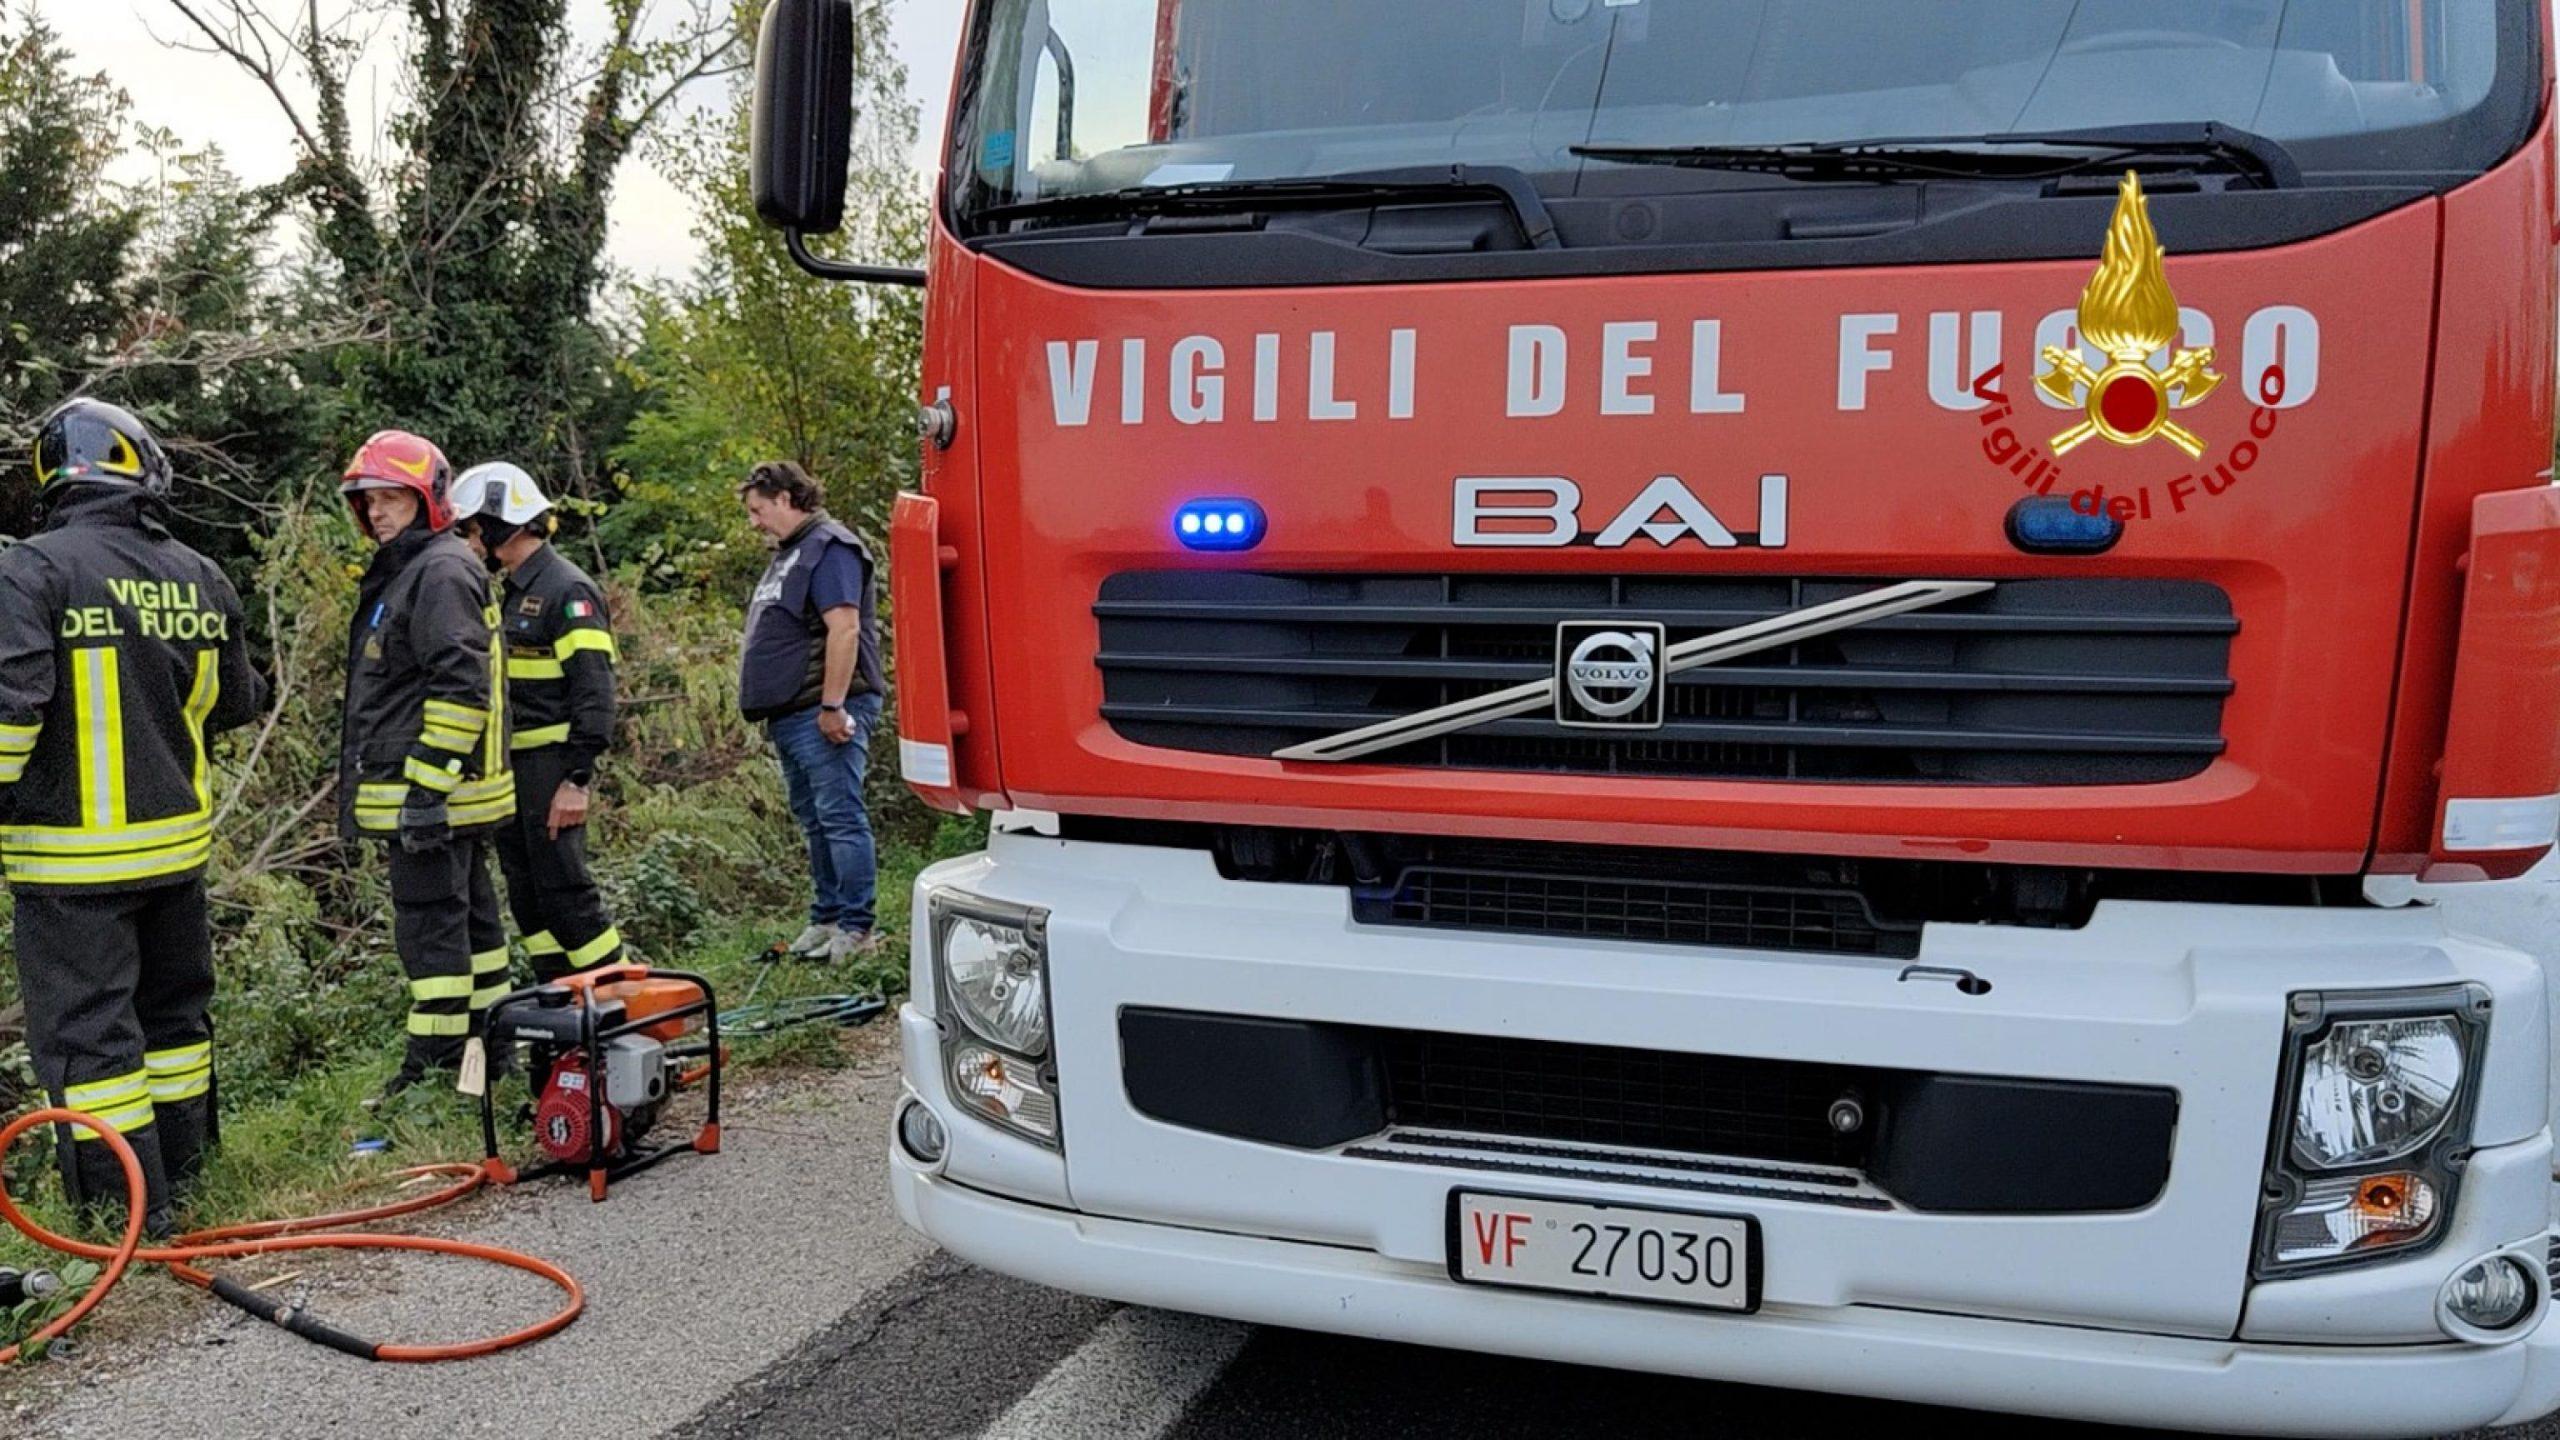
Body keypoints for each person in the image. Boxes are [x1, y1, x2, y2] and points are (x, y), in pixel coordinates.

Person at [0, 398, 264, 1230]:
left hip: (70, 867)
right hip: (176, 854)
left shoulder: (29, 572)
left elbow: (11, 718)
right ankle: (188, 1188)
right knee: (176, 1029)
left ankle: (127, 1222)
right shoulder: (199, 573)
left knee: (92, 1047)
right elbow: (233, 702)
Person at [336, 431, 515, 1103]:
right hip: (441, 798)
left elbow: (460, 686)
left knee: (432, 934)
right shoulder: (418, 567)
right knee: (475, 928)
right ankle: (494, 1050)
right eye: (369, 501)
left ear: (428, 499)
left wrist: (426, 790)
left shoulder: (437, 571)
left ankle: (436, 1068)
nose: (378, 513)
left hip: (430, 799)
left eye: (392, 499)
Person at [450, 462, 625, 980]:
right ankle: (562, 1007)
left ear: (501, 522)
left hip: (552, 767)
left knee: (564, 890)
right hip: (515, 767)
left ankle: (620, 1002)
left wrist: (577, 778)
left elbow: (595, 690)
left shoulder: (567, 589)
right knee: (528, 897)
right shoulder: (511, 590)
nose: (472, 541)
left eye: (475, 528)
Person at [736, 461, 885, 962]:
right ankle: (825, 918)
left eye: (758, 510)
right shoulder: (792, 553)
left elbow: (843, 628)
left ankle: (856, 929)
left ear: (784, 497)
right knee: (815, 820)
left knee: (840, 816)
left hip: (824, 711)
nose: (754, 522)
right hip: (791, 713)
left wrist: (833, 705)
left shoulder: (830, 547)